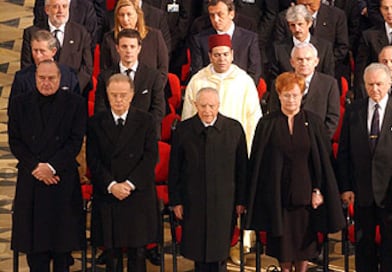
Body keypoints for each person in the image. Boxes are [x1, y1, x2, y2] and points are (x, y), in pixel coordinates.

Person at [246, 72, 345, 272]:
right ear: (279, 96)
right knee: (282, 247)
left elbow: (322, 160)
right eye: (286, 95)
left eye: (295, 95)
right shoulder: (267, 123)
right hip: (277, 196)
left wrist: (318, 190)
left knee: (303, 247)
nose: (291, 99)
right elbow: (258, 161)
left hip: (306, 196)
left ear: (302, 95)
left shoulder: (314, 122)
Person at [8, 60, 86, 272]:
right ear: (35, 78)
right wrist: (37, 168)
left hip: (62, 181)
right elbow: (15, 141)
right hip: (32, 180)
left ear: (59, 79)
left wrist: (51, 167)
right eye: (41, 78)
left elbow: (75, 141)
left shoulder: (75, 103)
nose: (46, 83)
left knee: (62, 251)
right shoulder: (19, 103)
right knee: (36, 252)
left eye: (51, 78)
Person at [336, 63, 392, 271]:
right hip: (361, 191)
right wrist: (346, 187)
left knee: (390, 248)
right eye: (370, 84)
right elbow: (344, 153)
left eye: (379, 84)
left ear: (389, 84)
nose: (374, 89)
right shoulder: (354, 110)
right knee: (363, 247)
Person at [169, 87, 248, 272]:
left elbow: (242, 169)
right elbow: (175, 170)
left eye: (211, 106)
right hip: (193, 202)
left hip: (224, 203)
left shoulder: (233, 129)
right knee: (199, 252)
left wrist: (241, 201)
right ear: (195, 105)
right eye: (203, 106)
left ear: (219, 105)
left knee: (220, 251)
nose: (207, 111)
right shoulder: (183, 130)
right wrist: (176, 201)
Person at [87, 73, 159, 272]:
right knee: (112, 255)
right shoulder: (95, 122)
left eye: (123, 95)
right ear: (107, 95)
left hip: (137, 195)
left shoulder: (146, 121)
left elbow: (151, 157)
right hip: (108, 195)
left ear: (132, 94)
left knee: (138, 254)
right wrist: (112, 186)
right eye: (113, 95)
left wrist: (129, 184)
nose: (118, 100)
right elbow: (93, 160)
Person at [182, 34, 262, 153]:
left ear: (232, 55)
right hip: (202, 144)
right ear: (210, 56)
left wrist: (250, 148)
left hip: (234, 143)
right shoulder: (198, 80)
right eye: (217, 55)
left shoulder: (244, 81)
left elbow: (253, 118)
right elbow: (188, 115)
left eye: (225, 54)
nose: (222, 59)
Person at [94, 29, 165, 138]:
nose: (128, 51)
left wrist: (139, 130)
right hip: (113, 135)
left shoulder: (153, 76)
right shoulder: (105, 77)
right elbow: (101, 109)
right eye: (124, 46)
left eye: (132, 47)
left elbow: (158, 110)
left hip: (145, 135)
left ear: (139, 49)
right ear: (117, 48)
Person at [267, 43, 340, 138]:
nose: (304, 63)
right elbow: (274, 112)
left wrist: (320, 139)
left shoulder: (329, 84)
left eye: (308, 59)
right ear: (292, 62)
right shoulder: (280, 82)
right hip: (285, 138)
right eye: (299, 59)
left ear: (316, 61)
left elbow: (333, 118)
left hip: (317, 141)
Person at [20, 0, 93, 93]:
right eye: (55, 7)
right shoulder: (32, 33)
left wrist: (71, 87)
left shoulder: (80, 33)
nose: (61, 11)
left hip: (72, 92)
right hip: (39, 92)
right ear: (47, 9)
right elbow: (27, 66)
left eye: (64, 6)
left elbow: (87, 67)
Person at [189, 0, 262, 85]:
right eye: (212, 15)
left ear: (231, 14)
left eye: (220, 14)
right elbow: (198, 74)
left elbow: (254, 72)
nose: (216, 20)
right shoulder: (200, 40)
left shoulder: (249, 38)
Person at [354, 0, 392, 99]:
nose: (389, 12)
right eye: (385, 8)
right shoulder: (369, 37)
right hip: (378, 97)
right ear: (381, 10)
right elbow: (361, 73)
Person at [100, 0, 169, 85]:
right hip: (118, 93)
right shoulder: (109, 39)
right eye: (121, 15)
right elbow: (105, 72)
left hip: (150, 93)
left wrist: (152, 90)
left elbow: (163, 70)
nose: (125, 19)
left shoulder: (155, 37)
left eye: (129, 14)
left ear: (138, 15)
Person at [266, 4, 335, 84]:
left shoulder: (324, 48)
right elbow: (274, 80)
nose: (297, 29)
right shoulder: (278, 49)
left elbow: (329, 79)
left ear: (309, 23)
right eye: (293, 25)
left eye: (300, 24)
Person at [10, 29, 80, 102]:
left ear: (53, 51)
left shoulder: (69, 75)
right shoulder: (22, 77)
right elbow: (14, 108)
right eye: (35, 50)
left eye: (42, 51)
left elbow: (77, 105)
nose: (38, 55)